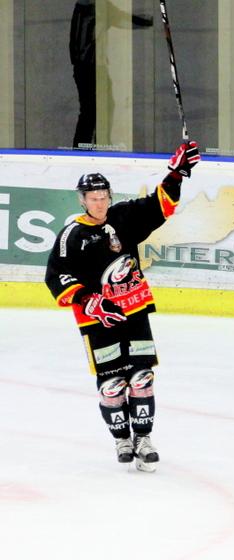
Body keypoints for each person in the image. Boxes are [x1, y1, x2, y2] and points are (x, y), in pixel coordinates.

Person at [44, 140, 200, 472]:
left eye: (103, 196)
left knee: (142, 378)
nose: (99, 203)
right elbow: (56, 274)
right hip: (99, 322)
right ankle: (121, 440)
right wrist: (88, 301)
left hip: (134, 312)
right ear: (82, 200)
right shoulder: (72, 235)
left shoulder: (123, 218)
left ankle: (143, 439)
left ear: (109, 197)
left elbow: (158, 206)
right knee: (112, 384)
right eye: (93, 198)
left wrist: (176, 174)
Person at [70, 0, 153, 149]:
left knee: (96, 108)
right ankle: (89, 146)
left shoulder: (86, 7)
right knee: (94, 109)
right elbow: (123, 19)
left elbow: (121, 19)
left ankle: (90, 146)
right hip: (91, 67)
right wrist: (150, 21)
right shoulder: (97, 8)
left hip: (88, 66)